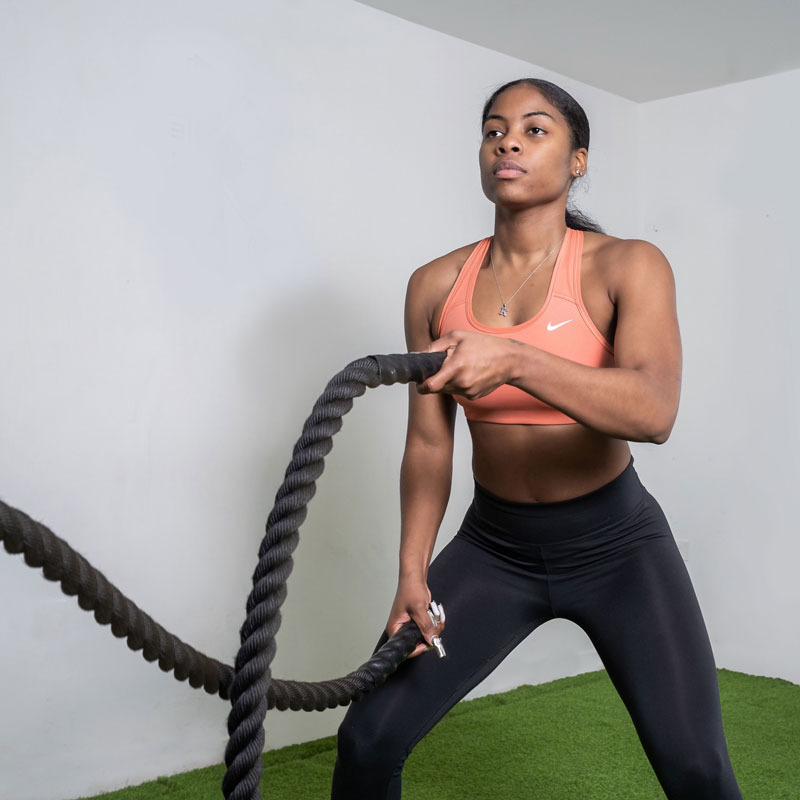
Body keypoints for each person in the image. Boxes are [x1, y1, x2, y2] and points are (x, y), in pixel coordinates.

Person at [330, 78, 743, 799]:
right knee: (368, 739)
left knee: (697, 770)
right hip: (495, 551)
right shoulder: (434, 286)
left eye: (534, 129)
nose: (508, 142)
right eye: (493, 130)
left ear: (578, 159)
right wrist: (411, 573)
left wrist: (516, 358)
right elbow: (429, 445)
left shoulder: (627, 265)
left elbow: (654, 411)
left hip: (618, 547)